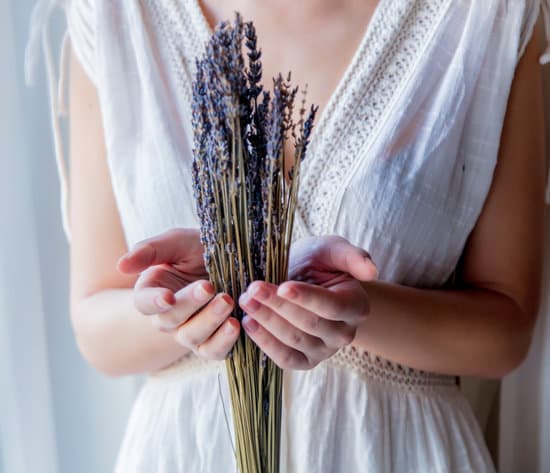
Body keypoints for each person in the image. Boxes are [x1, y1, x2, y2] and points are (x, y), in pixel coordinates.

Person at [25, 0, 549, 471]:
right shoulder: (116, 14)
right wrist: (184, 303)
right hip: (189, 453)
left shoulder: (487, 14)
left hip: (393, 451)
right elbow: (95, 322)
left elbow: (507, 332)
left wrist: (361, 311)